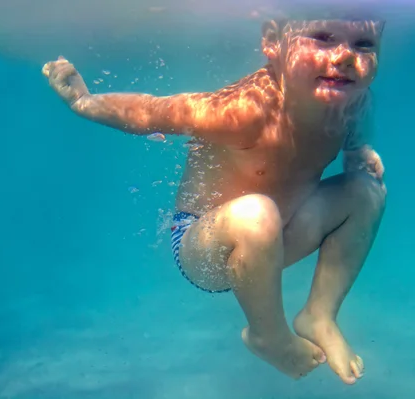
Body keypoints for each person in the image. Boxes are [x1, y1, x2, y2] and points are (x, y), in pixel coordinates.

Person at [42, 16, 387, 384]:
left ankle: (319, 313)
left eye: (363, 44)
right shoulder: (243, 111)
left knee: (366, 190)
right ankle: (267, 335)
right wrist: (84, 101)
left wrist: (358, 152)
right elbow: (151, 112)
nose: (345, 57)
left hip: (280, 237)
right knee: (257, 214)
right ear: (273, 43)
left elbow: (356, 134)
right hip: (207, 250)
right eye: (322, 38)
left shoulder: (355, 102)